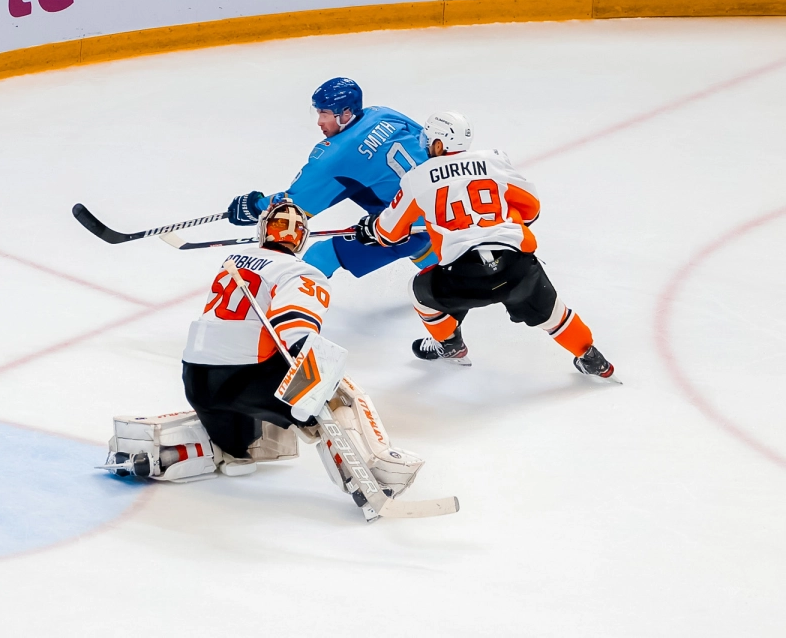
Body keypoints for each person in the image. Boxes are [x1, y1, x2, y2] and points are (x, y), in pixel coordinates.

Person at [102, 196, 426, 508]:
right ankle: (375, 472)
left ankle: (198, 452)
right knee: (337, 390)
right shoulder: (303, 272)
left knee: (238, 446)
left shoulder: (234, 261)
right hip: (244, 378)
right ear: (300, 241)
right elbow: (295, 329)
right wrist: (311, 392)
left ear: (263, 231)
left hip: (197, 381)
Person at [353, 111, 615, 378]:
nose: (426, 146)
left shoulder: (417, 179)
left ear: (440, 144)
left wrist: (370, 228)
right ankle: (593, 359)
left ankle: (450, 345)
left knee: (418, 290)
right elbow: (531, 209)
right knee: (555, 315)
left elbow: (390, 233)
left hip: (464, 277)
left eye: (429, 141)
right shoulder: (493, 161)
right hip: (517, 266)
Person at [225, 77, 436, 279]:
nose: (319, 121)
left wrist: (254, 206)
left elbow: (295, 207)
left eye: (325, 113)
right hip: (444, 206)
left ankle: (292, 308)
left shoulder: (336, 155)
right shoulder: (382, 113)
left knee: (319, 256)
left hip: (405, 227)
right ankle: (443, 268)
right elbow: (428, 143)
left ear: (345, 114)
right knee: (414, 230)